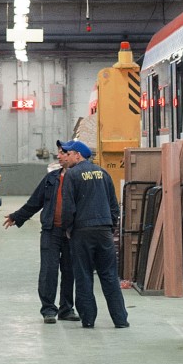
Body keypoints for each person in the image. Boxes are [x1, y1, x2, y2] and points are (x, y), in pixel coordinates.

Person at [56, 139, 128, 329]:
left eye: (69, 153)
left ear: (78, 155)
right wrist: (110, 226)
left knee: (84, 275)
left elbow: (68, 207)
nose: (66, 156)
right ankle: (120, 319)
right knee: (109, 275)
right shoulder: (103, 173)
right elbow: (114, 205)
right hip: (104, 231)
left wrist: (67, 229)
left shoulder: (72, 175)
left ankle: (88, 319)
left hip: (82, 231)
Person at [2, 155, 76, 322]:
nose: (59, 156)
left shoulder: (79, 178)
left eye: (64, 152)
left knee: (69, 271)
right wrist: (17, 216)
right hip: (51, 230)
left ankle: (66, 309)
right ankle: (48, 310)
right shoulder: (51, 178)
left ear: (74, 155)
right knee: (48, 271)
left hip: (72, 232)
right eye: (59, 152)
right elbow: (35, 201)